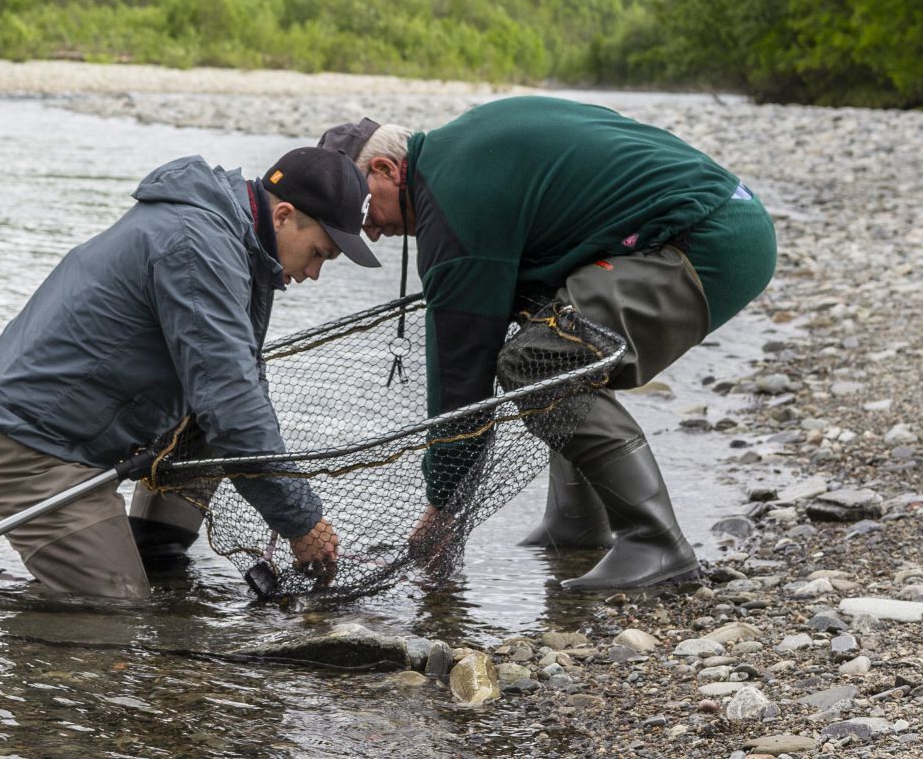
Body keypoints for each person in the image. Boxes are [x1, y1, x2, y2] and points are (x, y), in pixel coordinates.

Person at [0, 147, 379, 601]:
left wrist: (294, 508)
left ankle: (152, 553)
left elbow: (240, 385)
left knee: (174, 536)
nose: (314, 273)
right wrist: (302, 522)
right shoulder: (198, 247)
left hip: (83, 433)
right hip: (28, 447)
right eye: (319, 254)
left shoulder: (235, 241)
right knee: (115, 611)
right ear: (284, 216)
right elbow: (233, 408)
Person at [319, 96, 777, 591]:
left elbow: (459, 382)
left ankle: (656, 542)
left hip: (707, 239)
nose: (370, 232)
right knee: (558, 338)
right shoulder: (462, 151)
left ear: (386, 170)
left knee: (540, 361)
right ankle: (577, 523)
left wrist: (442, 508)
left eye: (362, 210)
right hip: (720, 215)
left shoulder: (454, 206)